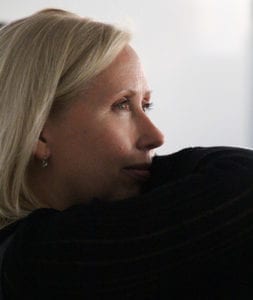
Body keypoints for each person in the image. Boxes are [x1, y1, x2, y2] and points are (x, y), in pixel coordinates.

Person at [0, 8, 253, 300]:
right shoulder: (39, 260)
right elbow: (244, 181)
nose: (156, 137)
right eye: (121, 105)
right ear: (40, 133)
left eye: (146, 106)